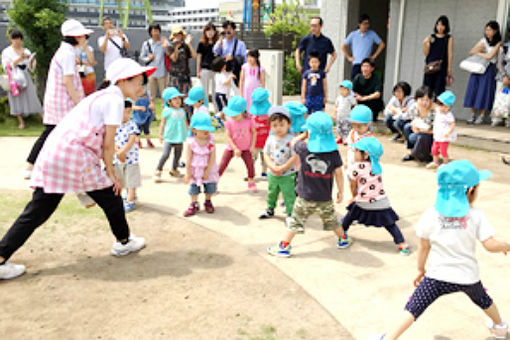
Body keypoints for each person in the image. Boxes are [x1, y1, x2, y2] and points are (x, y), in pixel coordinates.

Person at [0, 58, 155, 280]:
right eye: (139, 82)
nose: (142, 88)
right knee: (111, 195)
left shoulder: (102, 96)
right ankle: (124, 241)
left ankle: (1, 255)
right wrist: (111, 173)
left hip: (56, 154)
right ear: (123, 81)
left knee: (38, 210)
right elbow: (108, 144)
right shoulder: (114, 99)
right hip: (74, 157)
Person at [379, 160, 510, 340]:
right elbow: (490, 244)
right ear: (471, 191)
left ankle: (388, 338)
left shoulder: (431, 214)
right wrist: (506, 245)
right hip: (468, 277)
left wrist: (420, 270)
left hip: (436, 277)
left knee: (413, 309)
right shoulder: (476, 215)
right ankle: (500, 327)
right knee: (484, 301)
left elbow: (424, 247)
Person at [266, 111, 352, 257]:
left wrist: (304, 135)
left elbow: (293, 143)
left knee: (295, 221)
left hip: (304, 196)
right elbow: (338, 173)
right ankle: (343, 239)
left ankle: (284, 246)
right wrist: (341, 190)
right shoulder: (333, 153)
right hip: (324, 197)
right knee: (331, 219)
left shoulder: (304, 148)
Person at [24, 19, 89, 180]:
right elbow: (68, 81)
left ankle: (36, 165)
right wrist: (79, 103)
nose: (85, 39)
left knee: (56, 134)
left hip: (60, 102)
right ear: (76, 36)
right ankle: (31, 165)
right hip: (63, 103)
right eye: (83, 36)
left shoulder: (65, 52)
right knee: (53, 134)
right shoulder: (67, 54)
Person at [342, 136, 409, 255]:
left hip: (363, 202)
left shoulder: (356, 168)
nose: (354, 153)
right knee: (390, 224)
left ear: (366, 154)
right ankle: (402, 244)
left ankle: (341, 233)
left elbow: (353, 185)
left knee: (351, 215)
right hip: (381, 202)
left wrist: (354, 196)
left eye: (357, 151)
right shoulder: (376, 167)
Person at [259, 106, 298, 225]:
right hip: (272, 172)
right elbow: (265, 154)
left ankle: (290, 213)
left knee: (288, 194)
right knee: (272, 192)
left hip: (288, 173)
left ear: (289, 124)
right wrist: (271, 167)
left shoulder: (292, 139)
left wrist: (282, 168)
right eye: (275, 125)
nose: (278, 128)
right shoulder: (270, 139)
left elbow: (295, 156)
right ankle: (270, 209)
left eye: (281, 125)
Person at [1, 29, 42, 130]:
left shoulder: (26, 50)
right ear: (11, 39)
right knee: (16, 98)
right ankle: (21, 122)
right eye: (15, 39)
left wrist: (31, 60)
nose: (17, 41)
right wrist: (18, 59)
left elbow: (31, 67)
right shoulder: (7, 52)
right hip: (14, 77)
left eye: (19, 39)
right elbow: (7, 66)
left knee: (32, 96)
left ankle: (42, 118)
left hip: (25, 75)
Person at [465, 21, 502, 125]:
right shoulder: (483, 40)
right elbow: (471, 51)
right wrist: (480, 52)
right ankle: (473, 114)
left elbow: (490, 56)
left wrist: (479, 52)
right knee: (473, 89)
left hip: (489, 68)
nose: (487, 32)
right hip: (478, 67)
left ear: (495, 31)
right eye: (486, 30)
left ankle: (482, 115)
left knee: (484, 91)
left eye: (490, 30)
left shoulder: (498, 43)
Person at [218, 96, 258, 192]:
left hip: (246, 148)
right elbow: (228, 136)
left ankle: (251, 181)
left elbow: (254, 132)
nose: (233, 116)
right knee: (222, 165)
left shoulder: (249, 121)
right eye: (231, 114)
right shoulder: (229, 122)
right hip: (231, 148)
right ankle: (214, 182)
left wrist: (253, 146)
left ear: (243, 112)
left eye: (235, 114)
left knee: (250, 165)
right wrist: (235, 148)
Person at [183, 112, 219, 217]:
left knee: (210, 186)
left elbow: (212, 157)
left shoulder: (211, 141)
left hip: (208, 169)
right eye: (202, 129)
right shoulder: (191, 143)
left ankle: (208, 201)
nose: (206, 131)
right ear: (194, 130)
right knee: (193, 188)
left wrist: (207, 171)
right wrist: (188, 173)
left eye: (207, 128)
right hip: (195, 170)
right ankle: (194, 203)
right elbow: (188, 159)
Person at [154, 87, 188, 182]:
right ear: (169, 101)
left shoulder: (182, 111)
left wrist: (189, 133)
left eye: (179, 98)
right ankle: (158, 170)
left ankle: (174, 169)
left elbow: (185, 123)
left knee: (178, 154)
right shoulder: (167, 111)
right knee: (166, 154)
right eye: (175, 99)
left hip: (179, 136)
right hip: (169, 137)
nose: (178, 101)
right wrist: (160, 134)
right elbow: (162, 123)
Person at [113, 100, 141, 212]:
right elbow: (110, 139)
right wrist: (118, 152)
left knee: (131, 180)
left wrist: (123, 151)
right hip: (117, 159)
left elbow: (132, 139)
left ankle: (130, 201)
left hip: (131, 159)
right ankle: (120, 199)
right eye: (123, 112)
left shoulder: (132, 124)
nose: (126, 115)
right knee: (119, 179)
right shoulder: (113, 125)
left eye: (128, 112)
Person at [342, 14, 385, 80]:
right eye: (364, 23)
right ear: (359, 24)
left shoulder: (372, 34)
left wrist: (374, 56)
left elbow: (382, 44)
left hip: (367, 64)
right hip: (356, 63)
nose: (366, 26)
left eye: (367, 24)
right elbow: (343, 46)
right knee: (354, 83)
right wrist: (348, 57)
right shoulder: (353, 34)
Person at [422, 16, 453, 97]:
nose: (440, 27)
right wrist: (425, 43)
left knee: (439, 90)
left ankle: (437, 107)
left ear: (446, 26)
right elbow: (426, 53)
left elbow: (450, 53)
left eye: (442, 25)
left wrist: (449, 68)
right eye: (438, 24)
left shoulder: (448, 38)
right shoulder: (431, 37)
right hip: (430, 66)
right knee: (427, 89)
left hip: (441, 67)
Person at [402, 86, 435, 162]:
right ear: (416, 99)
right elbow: (407, 117)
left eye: (427, 100)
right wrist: (413, 124)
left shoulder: (435, 110)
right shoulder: (414, 107)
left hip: (430, 135)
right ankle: (411, 153)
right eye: (421, 100)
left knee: (419, 137)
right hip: (418, 133)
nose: (424, 103)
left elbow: (438, 130)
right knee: (407, 127)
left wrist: (420, 131)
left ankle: (428, 154)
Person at [426, 91, 456, 169]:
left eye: (446, 107)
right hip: (437, 135)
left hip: (444, 136)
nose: (443, 108)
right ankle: (435, 162)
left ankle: (446, 163)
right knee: (434, 149)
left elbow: (452, 124)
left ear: (450, 107)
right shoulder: (438, 110)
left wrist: (449, 131)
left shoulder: (448, 115)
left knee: (443, 151)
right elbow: (431, 104)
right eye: (441, 106)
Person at [139, 23, 169, 103]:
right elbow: (141, 57)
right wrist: (148, 58)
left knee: (164, 94)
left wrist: (166, 46)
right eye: (153, 31)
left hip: (162, 71)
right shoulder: (146, 44)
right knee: (151, 95)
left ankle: (164, 113)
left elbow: (169, 54)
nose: (155, 33)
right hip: (151, 72)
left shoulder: (163, 42)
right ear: (150, 32)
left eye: (157, 30)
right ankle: (152, 114)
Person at [213, 20, 247, 86]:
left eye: (230, 29)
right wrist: (220, 40)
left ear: (234, 30)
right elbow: (215, 52)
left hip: (235, 71)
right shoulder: (221, 42)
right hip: (224, 72)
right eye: (225, 29)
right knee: (224, 94)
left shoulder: (240, 44)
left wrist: (232, 58)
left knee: (237, 93)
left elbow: (244, 59)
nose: (227, 31)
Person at [167, 25, 196, 101]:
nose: (178, 37)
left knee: (186, 98)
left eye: (179, 34)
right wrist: (176, 47)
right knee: (175, 98)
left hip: (185, 75)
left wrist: (189, 44)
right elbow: (174, 59)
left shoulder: (185, 46)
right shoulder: (170, 46)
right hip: (175, 76)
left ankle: (186, 112)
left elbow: (194, 55)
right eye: (176, 35)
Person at [249, 88, 271, 178]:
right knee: (255, 157)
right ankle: (251, 171)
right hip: (257, 141)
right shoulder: (269, 110)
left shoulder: (251, 112)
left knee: (263, 157)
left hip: (261, 141)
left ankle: (263, 171)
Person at [345, 105, 375, 170]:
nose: (356, 128)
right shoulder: (352, 133)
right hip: (351, 162)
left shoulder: (369, 138)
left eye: (359, 126)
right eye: (354, 125)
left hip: (363, 167)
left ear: (368, 124)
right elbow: (349, 148)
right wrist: (346, 161)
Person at [197, 23, 219, 105]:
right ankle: (205, 110)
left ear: (215, 32)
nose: (210, 32)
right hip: (205, 69)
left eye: (212, 30)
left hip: (215, 70)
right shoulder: (201, 43)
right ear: (205, 32)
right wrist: (198, 71)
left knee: (215, 91)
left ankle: (216, 111)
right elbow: (199, 57)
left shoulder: (217, 43)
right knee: (204, 91)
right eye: (208, 30)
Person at [212, 56, 235, 125]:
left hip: (220, 94)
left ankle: (220, 122)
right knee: (225, 109)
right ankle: (216, 117)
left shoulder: (219, 74)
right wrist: (230, 77)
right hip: (221, 95)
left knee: (223, 109)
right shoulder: (220, 75)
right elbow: (225, 83)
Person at [334, 79, 357, 144]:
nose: (341, 91)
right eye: (340, 90)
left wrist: (354, 113)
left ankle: (346, 138)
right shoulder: (339, 98)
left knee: (346, 128)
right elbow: (336, 106)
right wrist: (334, 113)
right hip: (339, 115)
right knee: (338, 127)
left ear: (349, 90)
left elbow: (355, 105)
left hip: (346, 116)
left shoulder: (350, 98)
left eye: (344, 90)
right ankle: (339, 137)